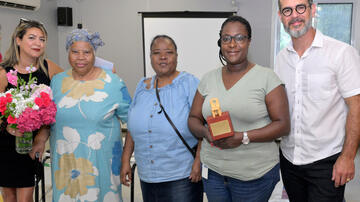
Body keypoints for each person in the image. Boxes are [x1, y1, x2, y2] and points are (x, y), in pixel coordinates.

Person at [188, 15, 290, 202]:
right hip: (214, 172)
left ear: (249, 41)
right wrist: (205, 131)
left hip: (254, 175)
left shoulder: (267, 78)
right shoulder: (208, 79)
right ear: (220, 43)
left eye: (239, 38)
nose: (232, 44)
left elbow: (283, 125)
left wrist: (243, 137)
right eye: (226, 38)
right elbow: (193, 118)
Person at [275, 0, 360, 201]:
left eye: (300, 7)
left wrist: (348, 157)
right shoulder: (281, 59)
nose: (294, 15)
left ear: (313, 10)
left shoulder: (341, 53)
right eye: (287, 10)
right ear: (280, 17)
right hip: (289, 159)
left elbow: (356, 106)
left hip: (326, 162)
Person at [49, 29, 131, 201]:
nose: (80, 57)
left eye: (87, 52)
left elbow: (133, 123)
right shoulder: (57, 82)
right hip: (66, 169)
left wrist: (125, 159)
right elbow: (48, 118)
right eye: (75, 52)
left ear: (94, 54)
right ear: (68, 53)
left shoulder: (113, 82)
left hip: (103, 167)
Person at [120, 35, 203, 202]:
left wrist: (198, 162)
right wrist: (125, 160)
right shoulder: (142, 86)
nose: (163, 57)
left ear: (177, 56)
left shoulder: (189, 83)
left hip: (182, 175)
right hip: (147, 175)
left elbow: (204, 125)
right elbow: (132, 128)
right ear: (150, 57)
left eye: (169, 52)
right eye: (157, 53)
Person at [0, 18, 63, 202]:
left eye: (42, 39)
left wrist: (41, 138)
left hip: (31, 146)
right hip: (5, 145)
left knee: (26, 196)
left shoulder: (48, 68)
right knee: (8, 196)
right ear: (18, 40)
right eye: (32, 38)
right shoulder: (4, 73)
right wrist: (8, 125)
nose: (38, 43)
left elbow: (73, 80)